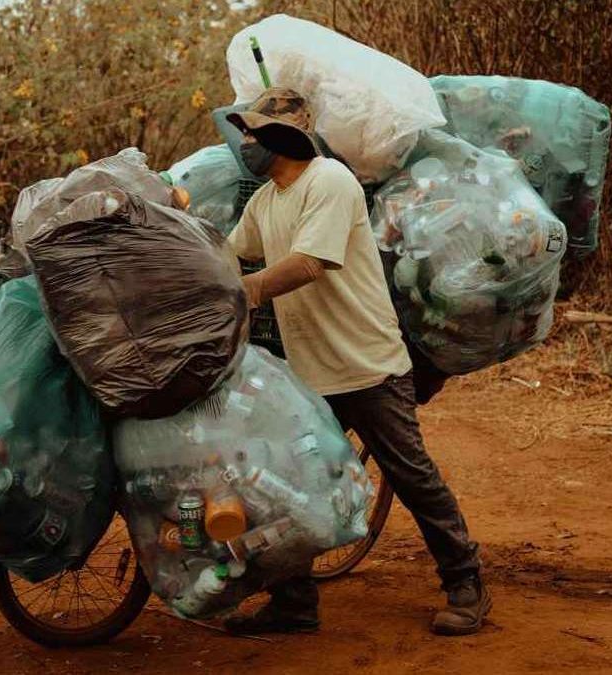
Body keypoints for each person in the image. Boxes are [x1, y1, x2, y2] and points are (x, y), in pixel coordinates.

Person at [222, 87, 490, 637]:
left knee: (410, 474)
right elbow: (230, 251)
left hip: (367, 366)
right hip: (309, 374)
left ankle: (466, 582)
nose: (245, 143)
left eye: (253, 133)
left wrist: (245, 289)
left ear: (283, 136)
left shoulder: (330, 181)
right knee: (286, 482)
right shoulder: (265, 200)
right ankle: (294, 603)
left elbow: (310, 262)